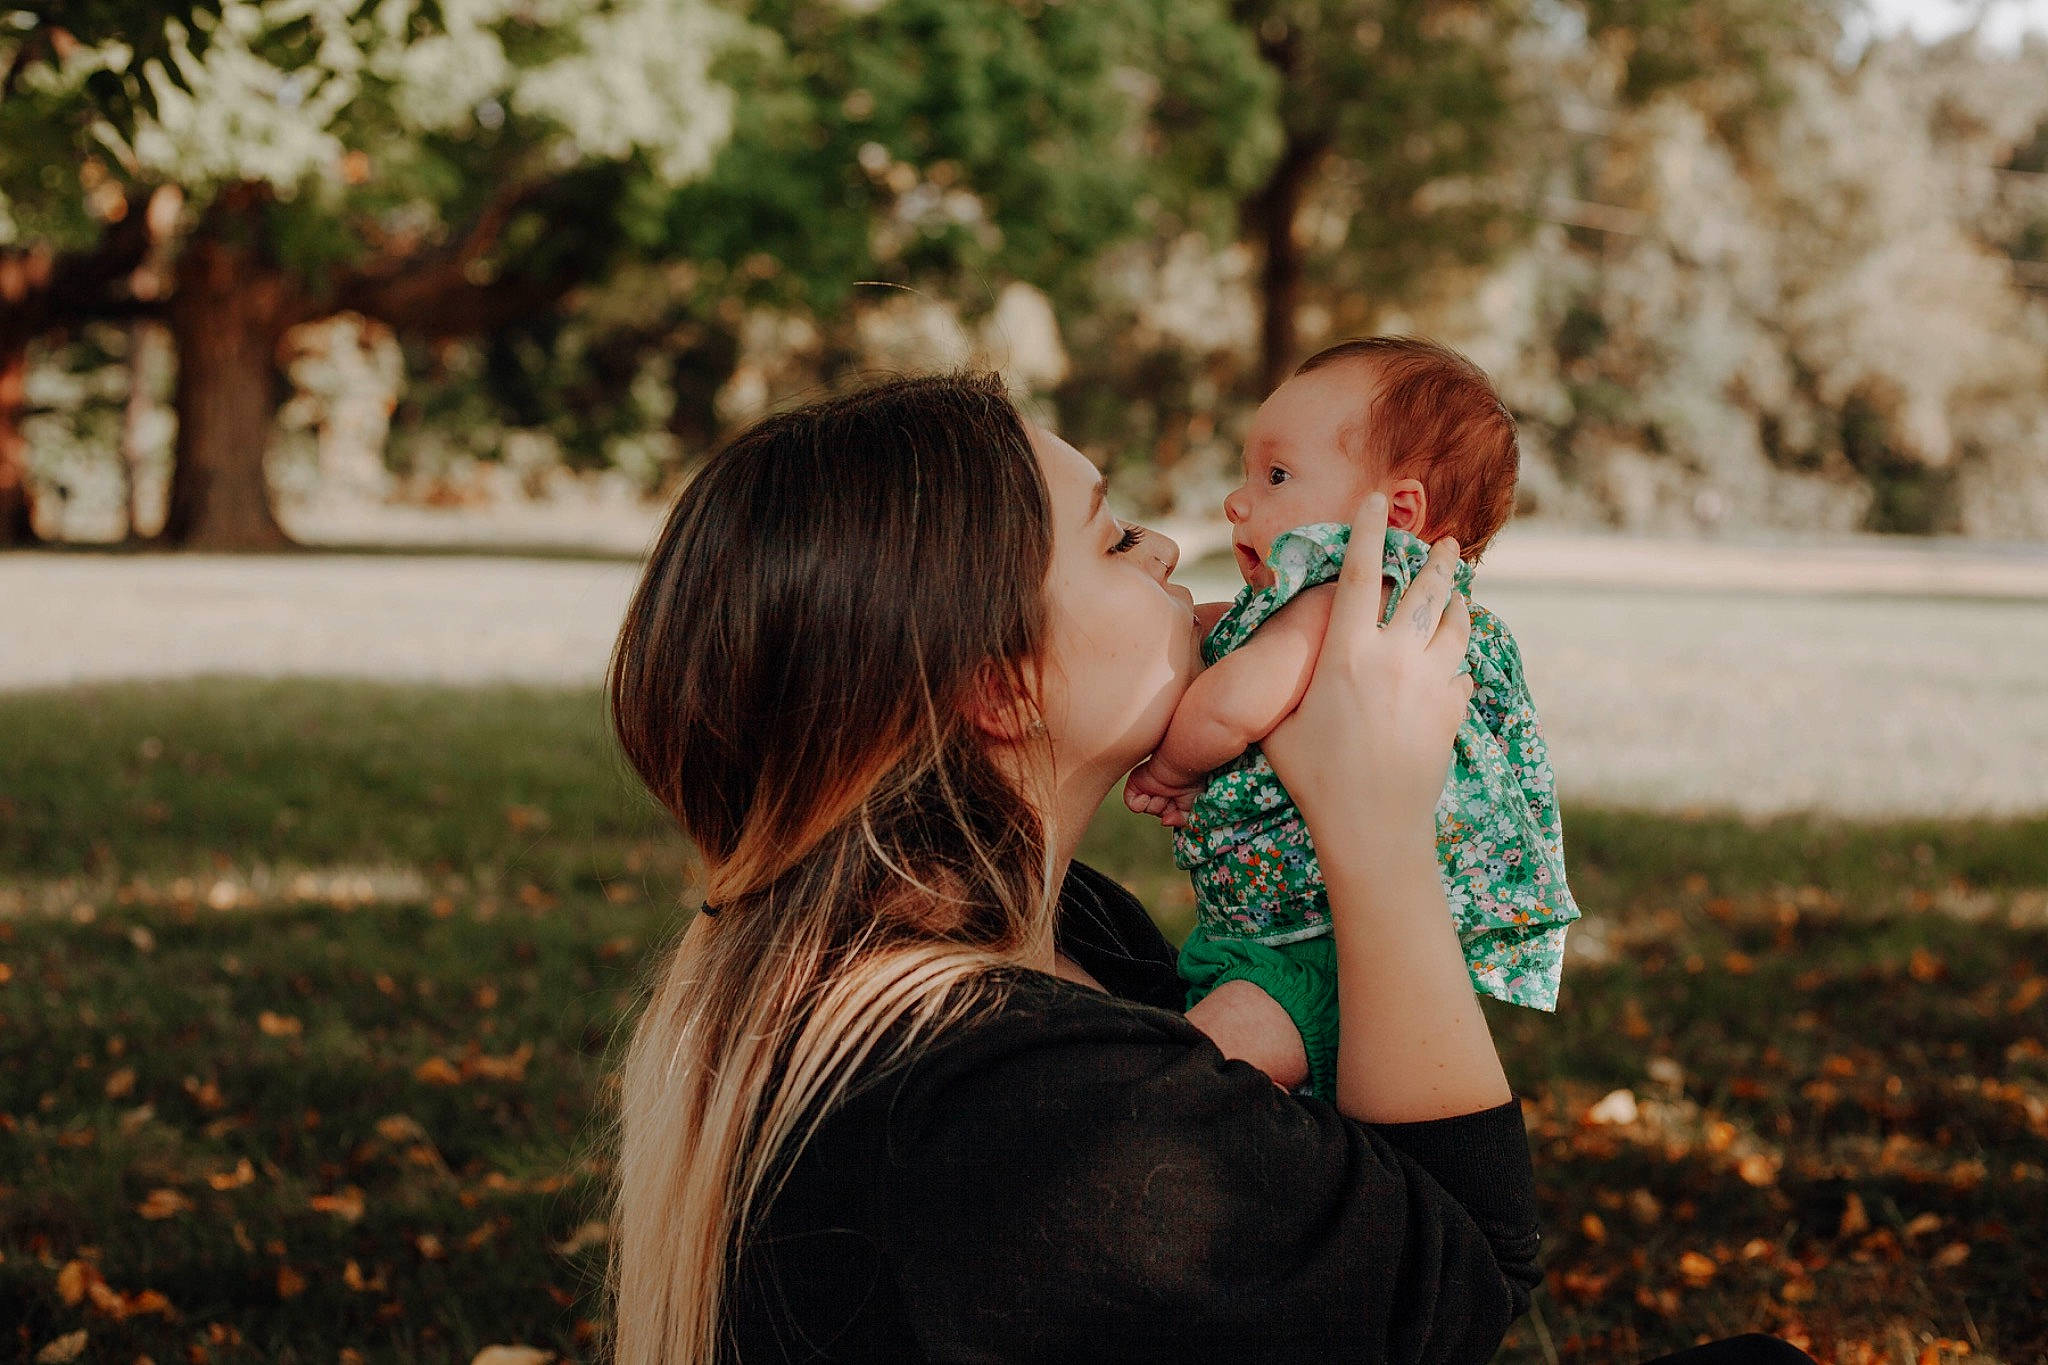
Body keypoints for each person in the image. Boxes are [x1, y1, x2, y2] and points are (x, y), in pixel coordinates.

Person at [599, 372, 1813, 1365]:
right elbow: (1457, 1286)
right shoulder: (1026, 1110)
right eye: (1113, 537)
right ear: (999, 685)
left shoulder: (1046, 934)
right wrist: (1375, 835)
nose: (1171, 541)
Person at [1122, 336, 1581, 1101]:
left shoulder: (1340, 602)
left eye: (1276, 475)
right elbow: (1227, 631)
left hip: (1304, 961)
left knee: (1166, 1089)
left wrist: (1171, 767)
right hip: (1299, 941)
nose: (1239, 501)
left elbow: (1232, 702)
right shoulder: (1334, 611)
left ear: (1396, 512)